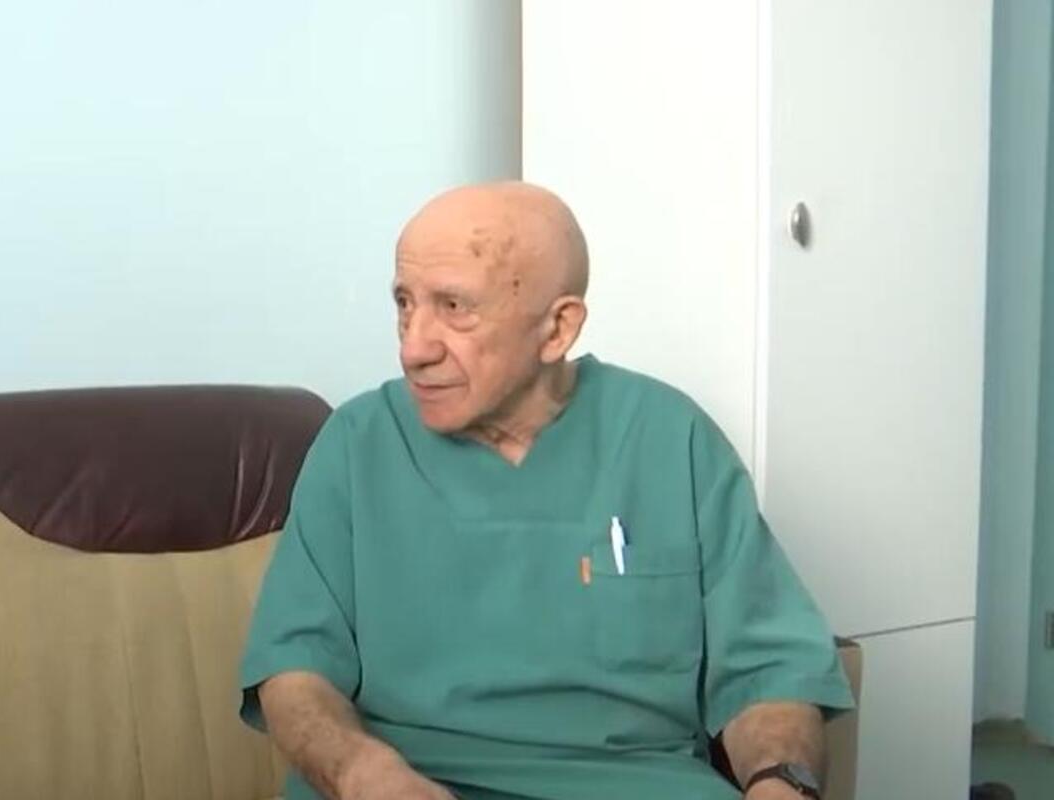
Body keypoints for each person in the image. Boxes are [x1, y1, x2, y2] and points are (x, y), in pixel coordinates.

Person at [239, 182, 854, 800]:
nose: (413, 346)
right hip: (405, 782)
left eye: (454, 307)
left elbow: (770, 672)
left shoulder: (671, 438)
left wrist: (782, 783)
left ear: (557, 328)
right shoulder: (358, 443)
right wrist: (363, 775)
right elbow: (294, 672)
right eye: (404, 302)